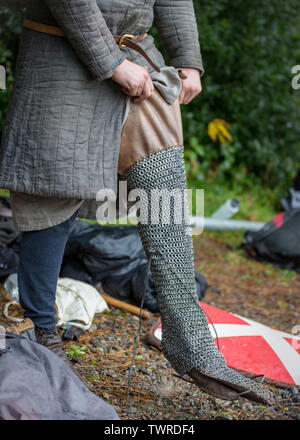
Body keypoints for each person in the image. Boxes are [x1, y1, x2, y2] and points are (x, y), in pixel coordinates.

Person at [0, 0, 273, 405]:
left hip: (138, 58)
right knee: (53, 192)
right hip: (60, 57)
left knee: (166, 198)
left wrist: (187, 59)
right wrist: (110, 63)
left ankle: (192, 344)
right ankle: (43, 331)